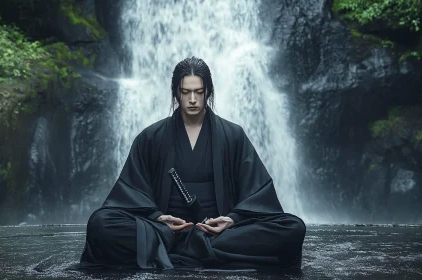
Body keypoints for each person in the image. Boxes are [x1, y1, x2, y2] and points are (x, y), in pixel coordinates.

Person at [76, 56, 306, 270]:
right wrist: (158, 218)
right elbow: (130, 191)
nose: (193, 100)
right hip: (164, 231)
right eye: (186, 92)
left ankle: (176, 252)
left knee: (294, 228)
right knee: (100, 223)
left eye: (199, 92)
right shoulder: (151, 136)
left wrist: (232, 219)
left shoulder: (233, 135)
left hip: (218, 232)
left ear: (208, 92)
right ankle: (201, 252)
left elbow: (257, 192)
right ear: (176, 92)